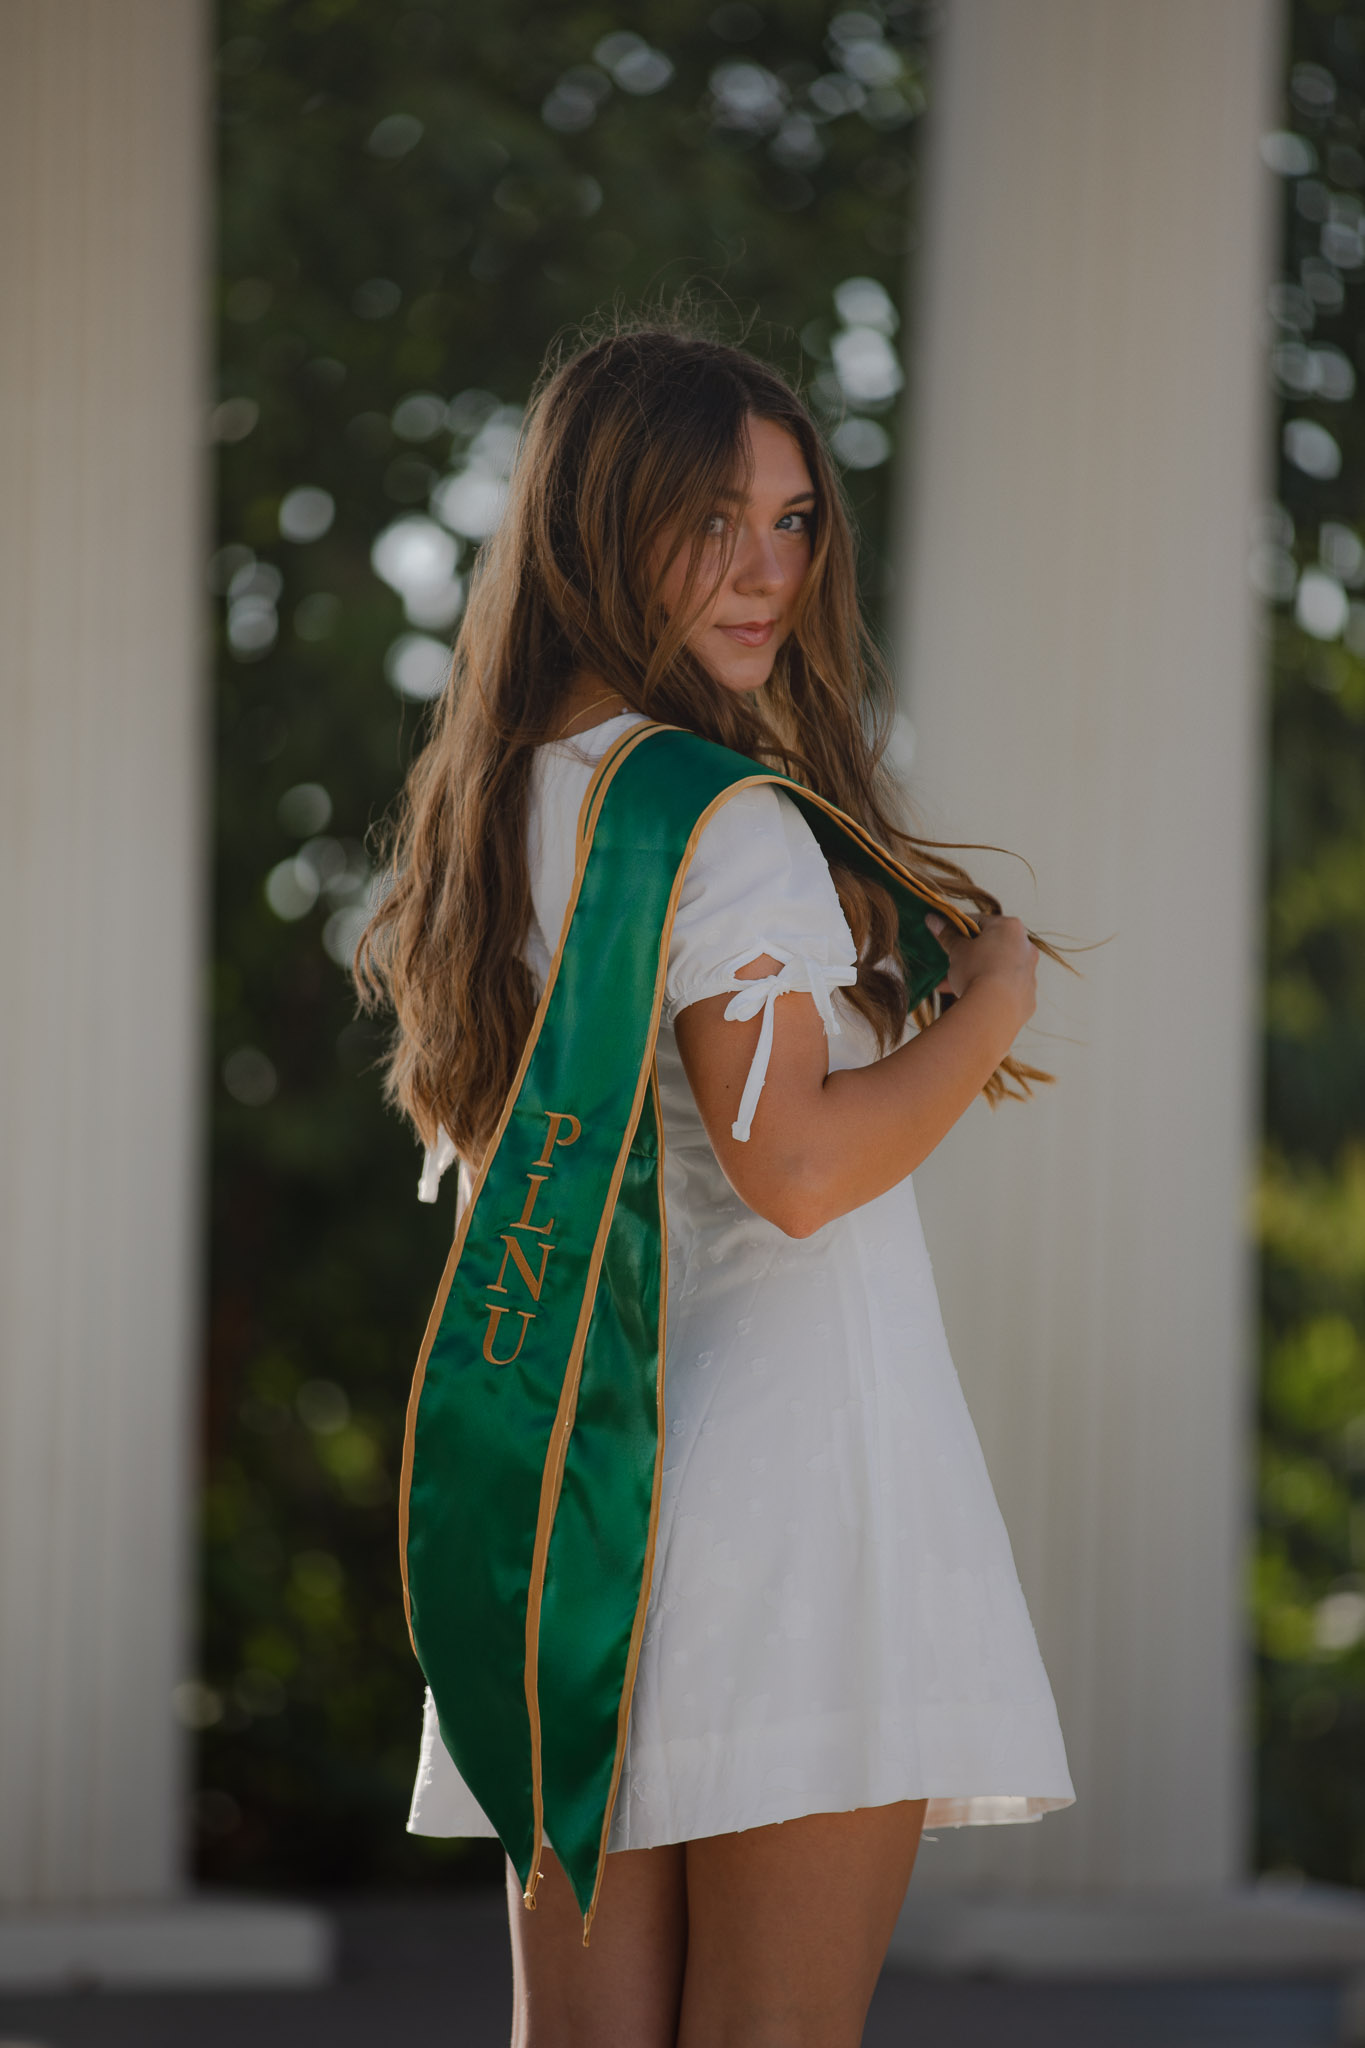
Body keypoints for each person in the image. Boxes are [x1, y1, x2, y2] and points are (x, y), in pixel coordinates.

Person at [357, 319, 1073, 2048]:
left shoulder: (515, 798)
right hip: (788, 1523)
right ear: (601, 526)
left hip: (578, 1512)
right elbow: (802, 1170)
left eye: (793, 522)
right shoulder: (716, 817)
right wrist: (987, 1006)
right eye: (710, 522)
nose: (764, 575)